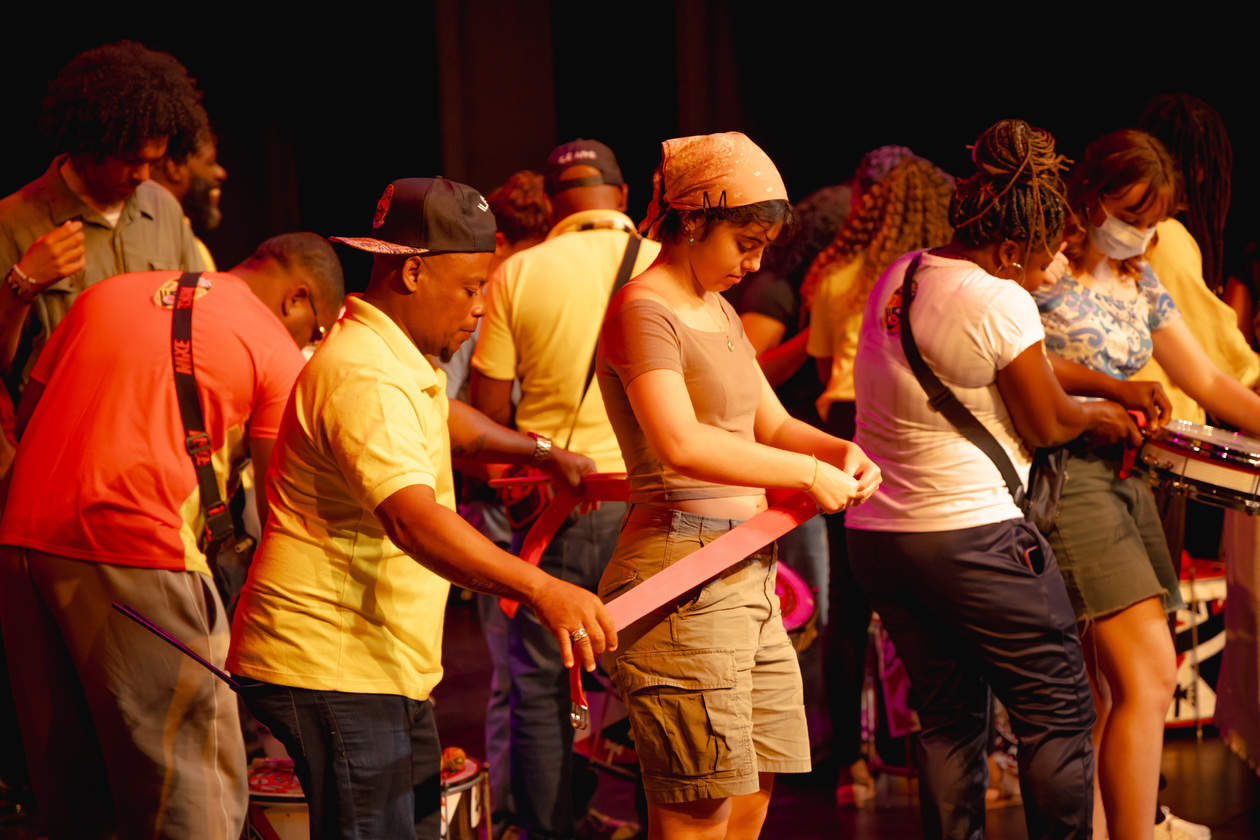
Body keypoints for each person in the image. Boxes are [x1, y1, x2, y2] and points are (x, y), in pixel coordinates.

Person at [226, 177, 617, 840]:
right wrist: (544, 589)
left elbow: (447, 418)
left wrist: (540, 452)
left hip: (372, 664)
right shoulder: (365, 375)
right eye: (470, 288)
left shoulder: (392, 355)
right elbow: (413, 519)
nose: (480, 309)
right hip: (332, 664)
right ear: (412, 271)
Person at [846, 118, 1152, 840]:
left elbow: (1005, 363)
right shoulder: (997, 297)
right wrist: (1100, 416)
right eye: (1045, 254)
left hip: (883, 538)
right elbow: (1045, 421)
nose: (1050, 270)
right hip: (972, 539)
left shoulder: (906, 272)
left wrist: (1108, 385)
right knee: (1060, 715)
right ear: (1011, 245)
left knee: (949, 724)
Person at [0, 231, 344, 840]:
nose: (308, 344)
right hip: (142, 556)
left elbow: (29, 419)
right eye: (314, 330)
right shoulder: (271, 346)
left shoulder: (102, 296)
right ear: (298, 299)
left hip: (21, 545)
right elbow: (281, 508)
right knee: (193, 798)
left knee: (76, 798)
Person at [595, 131, 880, 839]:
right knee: (699, 810)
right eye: (744, 242)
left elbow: (774, 424)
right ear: (693, 220)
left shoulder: (717, 308)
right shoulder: (643, 308)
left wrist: (841, 450)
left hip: (747, 573)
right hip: (681, 572)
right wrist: (810, 476)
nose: (754, 263)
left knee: (752, 792)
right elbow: (681, 442)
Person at [1036, 128, 1260, 840]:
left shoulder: (1143, 281)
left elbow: (1209, 381)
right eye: (1130, 215)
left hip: (1133, 482)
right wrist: (1091, 404)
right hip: (1072, 480)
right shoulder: (1041, 276)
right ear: (1089, 196)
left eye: (1153, 219)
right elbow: (1013, 373)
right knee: (1151, 673)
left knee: (1107, 690)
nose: (1141, 232)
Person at [470, 140, 659, 840]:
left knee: (544, 686)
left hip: (564, 509)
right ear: (623, 194)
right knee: (653, 683)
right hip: (658, 504)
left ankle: (550, 831)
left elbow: (488, 413)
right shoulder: (663, 261)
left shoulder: (518, 271)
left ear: (552, 204)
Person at [801, 151, 955, 807]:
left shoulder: (836, 276)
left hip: (845, 429)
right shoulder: (937, 278)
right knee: (930, 603)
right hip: (912, 433)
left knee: (847, 608)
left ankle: (849, 766)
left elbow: (819, 376)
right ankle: (942, 758)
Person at [433, 168, 550, 838]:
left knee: (532, 676)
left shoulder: (510, 289)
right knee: (519, 674)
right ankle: (516, 817)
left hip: (524, 500)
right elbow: (444, 409)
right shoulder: (470, 305)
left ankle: (537, 813)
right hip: (506, 501)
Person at [0, 41, 208, 401]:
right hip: (65, 435)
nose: (142, 175)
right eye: (130, 159)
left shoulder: (163, 208)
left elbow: (199, 321)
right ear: (90, 141)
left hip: (155, 424)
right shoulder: (12, 221)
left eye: (154, 162)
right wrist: (20, 286)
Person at [151, 130, 229, 271]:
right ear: (174, 168)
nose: (221, 173)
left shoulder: (195, 246)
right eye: (210, 162)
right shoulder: (147, 241)